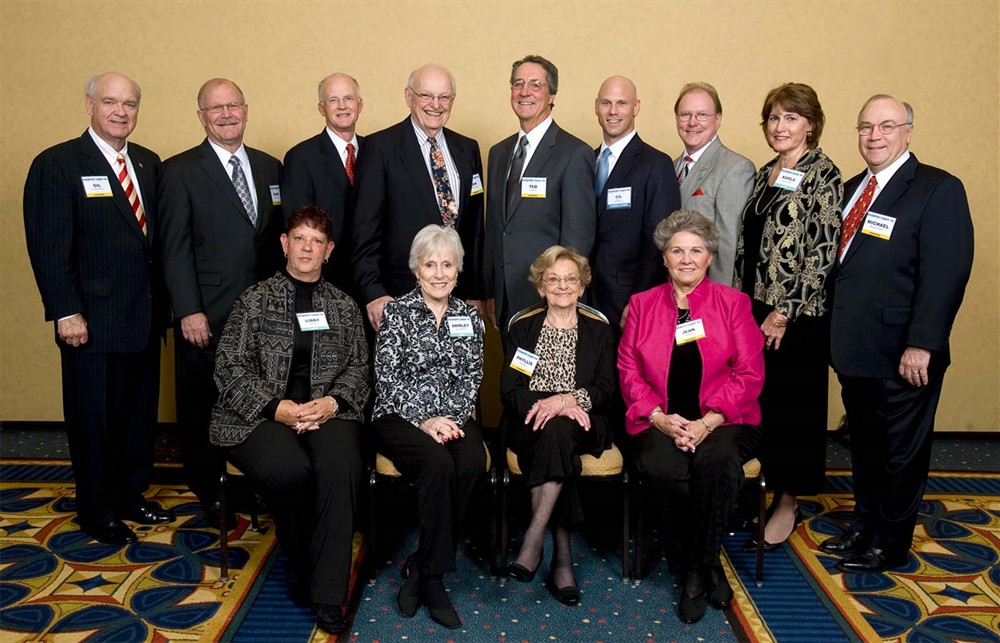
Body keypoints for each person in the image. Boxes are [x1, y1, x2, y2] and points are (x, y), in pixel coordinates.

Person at [822, 95, 974, 573]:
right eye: (866, 126)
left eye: (887, 126)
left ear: (908, 131)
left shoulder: (936, 188)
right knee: (866, 447)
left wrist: (923, 344)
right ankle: (863, 529)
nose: (875, 136)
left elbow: (946, 273)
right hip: (855, 349)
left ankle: (890, 544)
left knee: (900, 454)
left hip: (904, 352)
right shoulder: (850, 189)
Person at [23, 72, 172, 544]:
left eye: (129, 104)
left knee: (137, 417)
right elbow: (49, 247)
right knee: (93, 420)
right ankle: (97, 509)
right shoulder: (59, 163)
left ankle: (130, 496)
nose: (121, 112)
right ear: (89, 105)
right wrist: (65, 312)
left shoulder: (148, 163)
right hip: (90, 323)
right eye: (110, 102)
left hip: (144, 319)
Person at [210, 205, 369, 634]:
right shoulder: (255, 299)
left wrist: (333, 402)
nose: (307, 248)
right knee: (290, 470)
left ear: (329, 250)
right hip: (262, 416)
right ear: (285, 243)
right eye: (299, 238)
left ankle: (329, 594)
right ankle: (301, 558)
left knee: (342, 467)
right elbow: (228, 365)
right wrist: (273, 406)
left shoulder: (344, 306)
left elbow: (359, 368)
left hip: (327, 412)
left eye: (317, 241)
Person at [619, 211, 763, 624]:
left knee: (715, 464)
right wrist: (661, 419)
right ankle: (702, 563)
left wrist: (706, 423)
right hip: (659, 419)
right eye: (677, 250)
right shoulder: (642, 305)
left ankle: (696, 572)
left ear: (709, 256)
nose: (686, 259)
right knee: (665, 468)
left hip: (725, 419)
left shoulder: (733, 304)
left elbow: (749, 372)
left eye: (696, 250)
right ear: (663, 257)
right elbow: (628, 371)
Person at [159, 78, 284, 529]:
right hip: (206, 314)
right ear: (201, 116)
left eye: (234, 105)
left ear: (246, 110)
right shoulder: (180, 171)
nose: (227, 114)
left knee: (256, 400)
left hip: (264, 316)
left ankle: (251, 484)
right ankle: (210, 491)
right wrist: (187, 309)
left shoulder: (271, 168)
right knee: (203, 403)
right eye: (216, 108)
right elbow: (172, 249)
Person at [733, 82, 842, 550]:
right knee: (762, 402)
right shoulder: (765, 173)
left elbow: (822, 254)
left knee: (794, 407)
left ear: (811, 125)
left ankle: (787, 502)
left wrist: (782, 312)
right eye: (774, 118)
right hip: (755, 307)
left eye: (791, 118)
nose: (781, 127)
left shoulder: (824, 174)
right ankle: (758, 489)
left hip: (796, 316)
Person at [372, 224, 486, 629]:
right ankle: (434, 580)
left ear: (457, 271)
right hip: (399, 415)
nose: (439, 273)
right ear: (416, 269)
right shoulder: (398, 312)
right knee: (438, 465)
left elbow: (472, 377)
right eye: (430, 264)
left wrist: (449, 418)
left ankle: (420, 565)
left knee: (471, 461)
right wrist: (425, 418)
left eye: (447, 265)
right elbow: (388, 377)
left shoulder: (469, 316)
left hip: (452, 414)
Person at [501, 246, 616, 605]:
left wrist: (566, 402)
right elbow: (510, 389)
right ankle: (562, 559)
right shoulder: (524, 327)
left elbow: (605, 390)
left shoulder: (599, 330)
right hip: (532, 419)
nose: (562, 286)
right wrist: (546, 407)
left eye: (570, 279)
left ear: (582, 287)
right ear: (540, 287)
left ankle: (533, 537)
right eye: (553, 279)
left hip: (584, 419)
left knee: (559, 431)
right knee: (555, 434)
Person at [351, 64, 484, 330]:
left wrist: (476, 292)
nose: (436, 105)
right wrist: (373, 292)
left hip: (457, 300)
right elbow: (364, 229)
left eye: (444, 97)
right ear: (408, 96)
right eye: (426, 96)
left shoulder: (467, 149)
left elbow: (474, 229)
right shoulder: (380, 148)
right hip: (398, 298)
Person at [484, 54, 596, 331]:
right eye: (518, 83)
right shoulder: (498, 153)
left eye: (535, 85)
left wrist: (562, 298)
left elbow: (577, 237)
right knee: (514, 374)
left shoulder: (573, 153)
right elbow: (495, 229)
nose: (525, 92)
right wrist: (491, 290)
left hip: (549, 301)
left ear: (552, 94)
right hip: (504, 296)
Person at [589, 76, 680, 329]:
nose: (613, 111)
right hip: (584, 294)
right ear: (596, 107)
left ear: (636, 107)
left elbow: (660, 240)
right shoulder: (586, 161)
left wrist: (641, 300)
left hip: (628, 298)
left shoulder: (655, 164)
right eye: (606, 103)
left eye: (622, 103)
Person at [282, 73, 364, 297]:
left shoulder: (375, 151)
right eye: (333, 100)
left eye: (348, 98)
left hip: (371, 280)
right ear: (321, 108)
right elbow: (298, 225)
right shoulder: (301, 157)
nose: (342, 106)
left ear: (360, 104)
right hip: (324, 282)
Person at [673, 82, 755, 286]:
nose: (693, 122)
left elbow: (728, 246)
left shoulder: (735, 168)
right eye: (685, 115)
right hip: (672, 290)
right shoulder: (670, 167)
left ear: (717, 120)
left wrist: (718, 301)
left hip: (707, 292)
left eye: (702, 115)